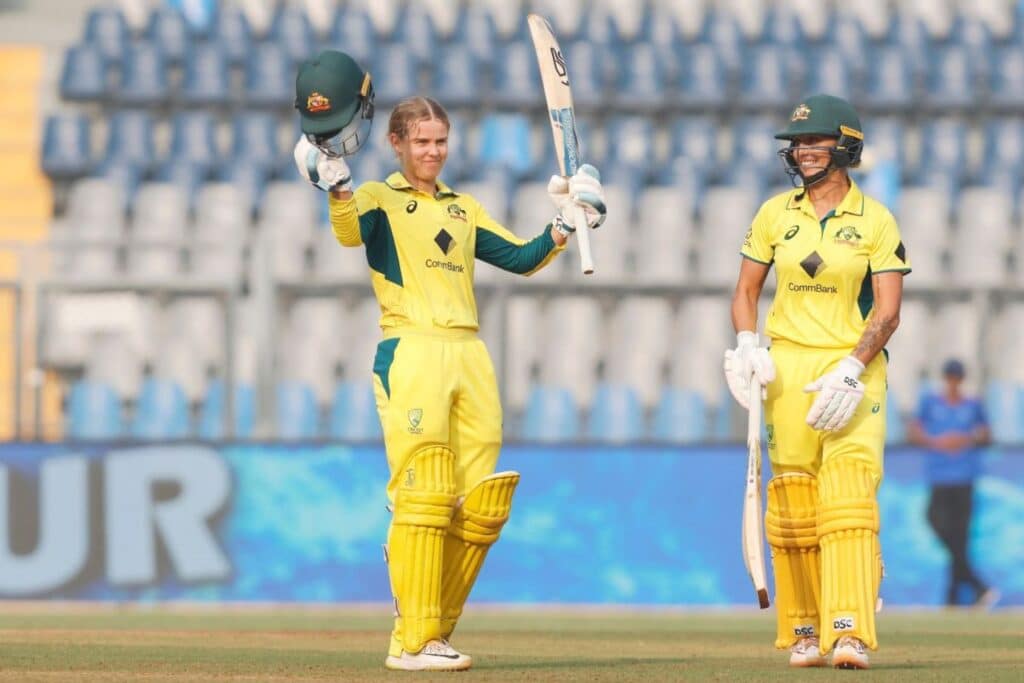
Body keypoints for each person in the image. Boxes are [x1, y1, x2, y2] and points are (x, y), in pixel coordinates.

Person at [291, 50, 607, 671]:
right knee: (425, 497)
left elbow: (520, 258)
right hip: (411, 349)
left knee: (479, 504)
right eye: (423, 141)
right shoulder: (379, 196)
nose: (434, 151)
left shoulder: (463, 208)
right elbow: (350, 234)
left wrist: (568, 222)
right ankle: (411, 640)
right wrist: (336, 187)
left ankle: (431, 632)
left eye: (441, 141)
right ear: (397, 143)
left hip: (470, 352)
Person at [724, 94, 911, 670]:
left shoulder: (875, 219)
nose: (802, 151)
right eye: (797, 143)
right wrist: (747, 346)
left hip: (853, 372)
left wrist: (853, 367)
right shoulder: (774, 214)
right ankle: (805, 629)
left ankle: (849, 632)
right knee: (796, 505)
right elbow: (747, 292)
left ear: (845, 146)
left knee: (849, 496)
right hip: (789, 370)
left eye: (814, 141)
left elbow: (888, 311)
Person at [907, 358, 998, 608]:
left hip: (964, 476)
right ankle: (977, 584)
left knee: (960, 536)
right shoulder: (931, 402)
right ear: (945, 378)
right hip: (940, 476)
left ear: (961, 379)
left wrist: (965, 438)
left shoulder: (972, 405)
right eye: (950, 377)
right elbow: (914, 431)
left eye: (957, 377)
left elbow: (986, 433)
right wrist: (937, 442)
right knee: (936, 522)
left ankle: (954, 596)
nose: (953, 382)